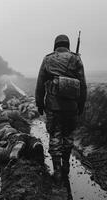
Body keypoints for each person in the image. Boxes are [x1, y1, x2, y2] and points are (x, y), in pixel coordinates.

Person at [35, 34, 87, 191]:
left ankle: (57, 170)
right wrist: (81, 105)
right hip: (71, 107)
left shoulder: (48, 59)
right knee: (68, 136)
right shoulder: (76, 59)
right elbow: (83, 85)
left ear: (55, 45)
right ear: (68, 44)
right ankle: (66, 167)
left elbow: (40, 84)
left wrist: (39, 103)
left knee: (55, 137)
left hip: (53, 106)